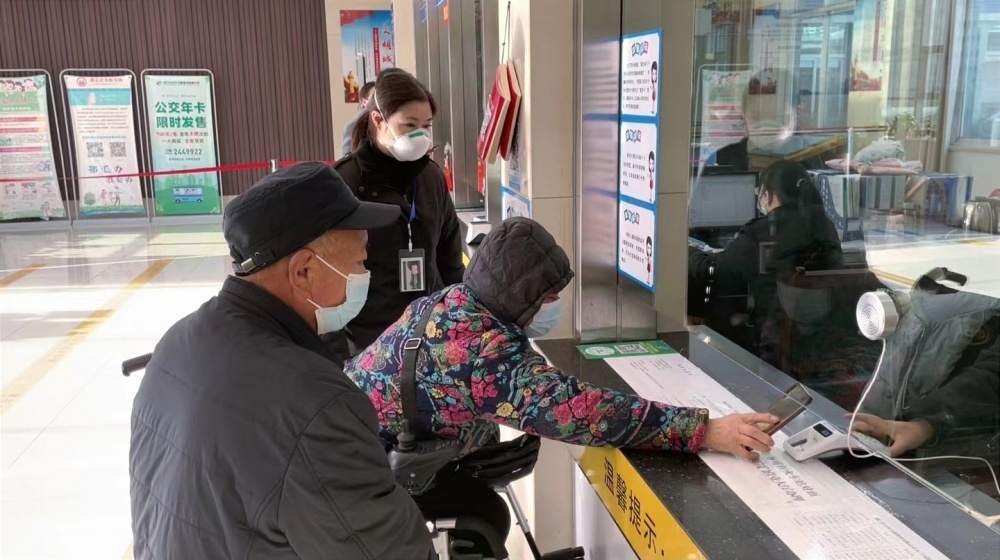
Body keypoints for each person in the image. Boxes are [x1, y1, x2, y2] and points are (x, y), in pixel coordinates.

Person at [345, 218, 778, 552]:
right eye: (548, 299)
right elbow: (583, 413)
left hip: (359, 444)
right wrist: (705, 430)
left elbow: (444, 396)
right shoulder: (485, 354)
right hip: (366, 478)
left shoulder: (452, 302)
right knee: (487, 514)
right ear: (521, 296)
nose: (552, 308)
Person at [129, 162, 434, 560]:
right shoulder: (315, 405)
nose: (366, 274)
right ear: (304, 271)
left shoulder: (179, 340)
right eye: (361, 262)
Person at [332, 69, 465, 358]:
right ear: (378, 120)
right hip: (369, 343)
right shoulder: (344, 183)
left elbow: (450, 259)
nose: (420, 135)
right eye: (409, 125)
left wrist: (461, 323)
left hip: (431, 335)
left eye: (426, 126)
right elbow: (326, 279)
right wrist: (339, 358)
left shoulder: (431, 177)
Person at [340, 80, 379, 157]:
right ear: (364, 102)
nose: (378, 100)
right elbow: (347, 157)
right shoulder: (352, 126)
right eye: (374, 97)